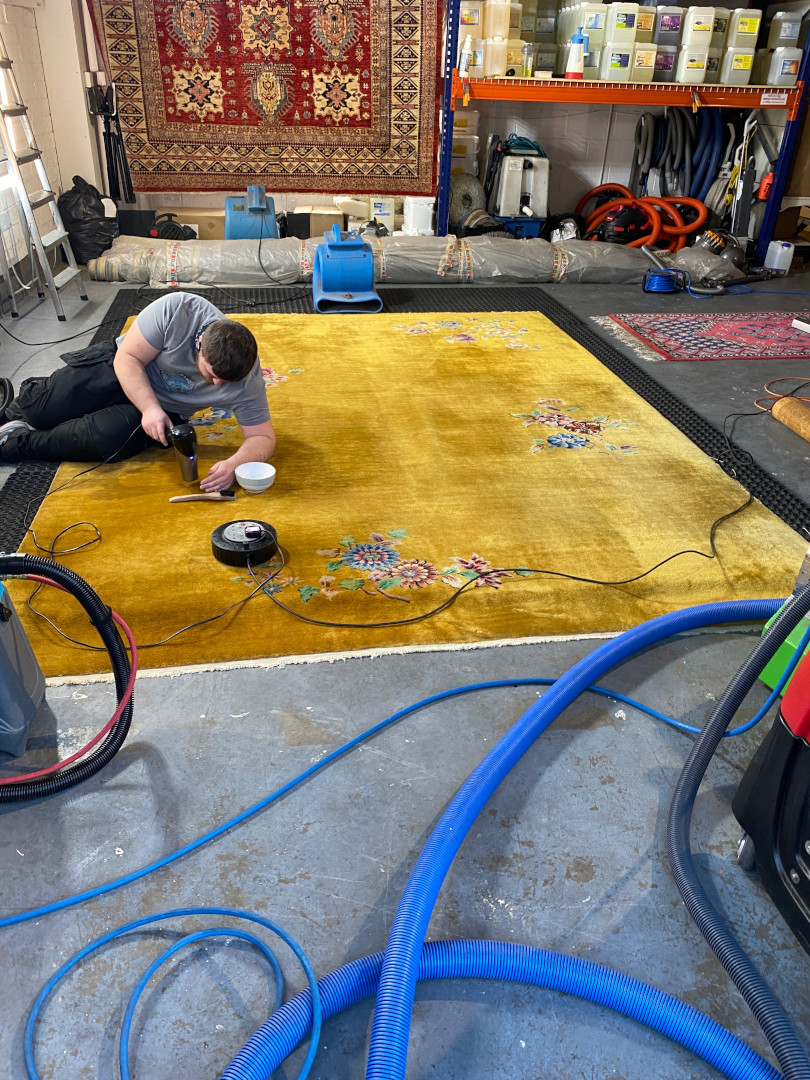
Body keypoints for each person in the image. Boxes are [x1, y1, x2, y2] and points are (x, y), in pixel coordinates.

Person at [0, 292, 275, 493]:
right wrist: (149, 408)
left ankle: (16, 443)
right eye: (212, 374)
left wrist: (233, 464)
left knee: (103, 439)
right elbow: (128, 358)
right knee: (40, 408)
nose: (217, 386)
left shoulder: (246, 378)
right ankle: (15, 411)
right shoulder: (178, 310)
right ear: (199, 343)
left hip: (170, 409)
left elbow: (263, 437)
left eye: (226, 381)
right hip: (124, 365)